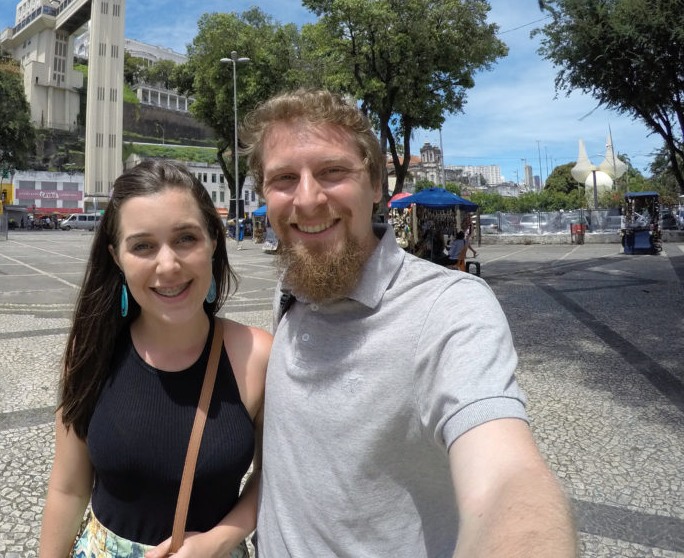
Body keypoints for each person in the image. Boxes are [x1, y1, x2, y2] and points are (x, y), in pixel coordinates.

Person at [240, 89, 577, 558]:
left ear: (376, 184)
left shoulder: (449, 307)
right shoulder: (293, 289)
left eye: (333, 171)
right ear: (264, 194)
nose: (308, 198)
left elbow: (506, 477)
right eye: (283, 178)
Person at [39, 160, 272, 558]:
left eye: (185, 238)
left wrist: (219, 539)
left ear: (213, 242)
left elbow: (273, 477)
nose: (168, 265)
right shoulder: (91, 349)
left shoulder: (257, 356)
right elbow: (68, 488)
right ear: (116, 257)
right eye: (143, 245)